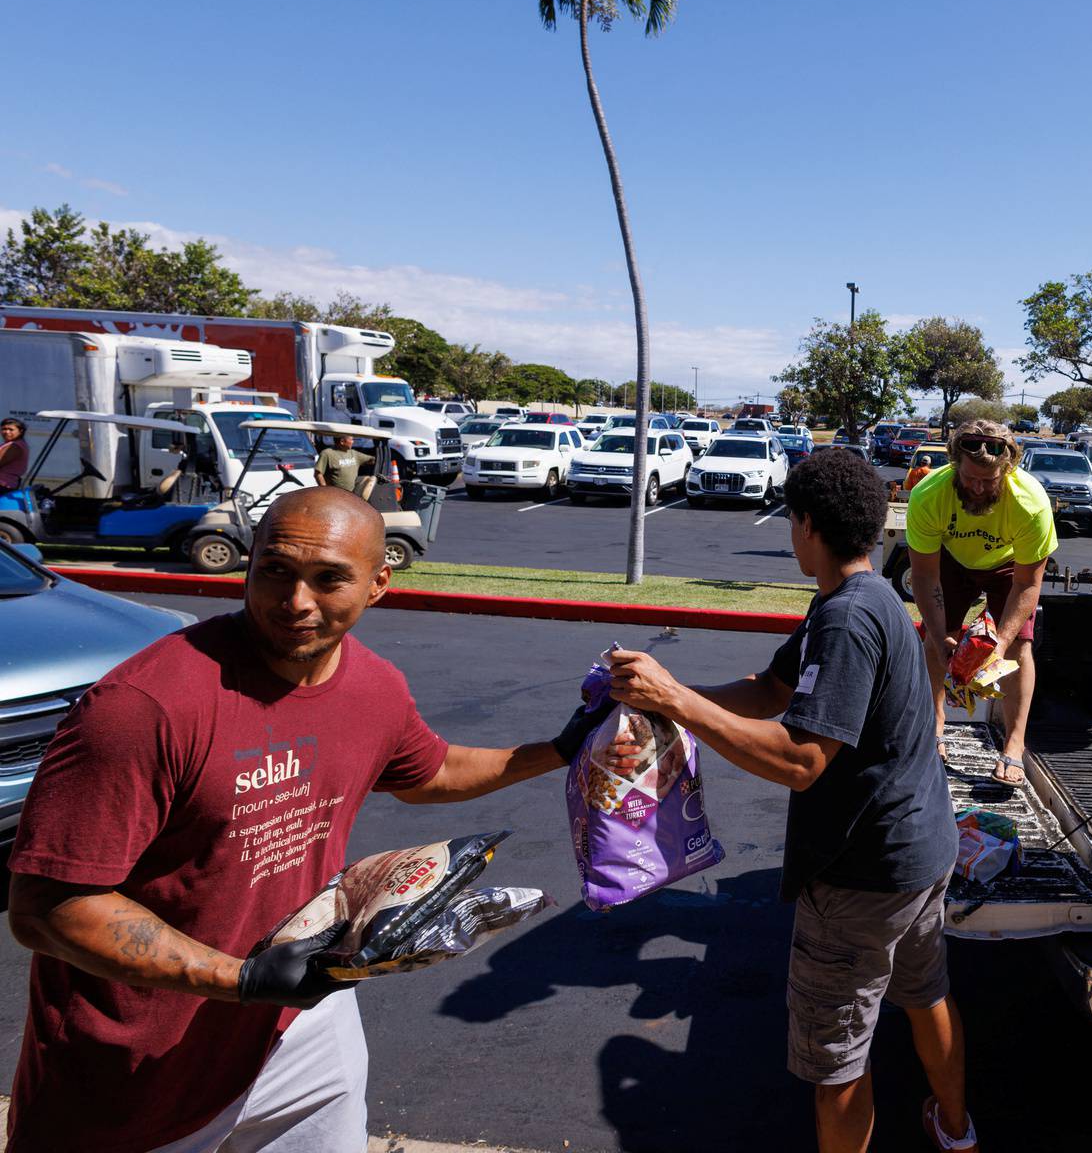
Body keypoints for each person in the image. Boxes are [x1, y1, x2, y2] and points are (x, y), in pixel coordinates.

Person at [4, 487, 634, 1153]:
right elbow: (48, 908)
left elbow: (431, 772)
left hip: (304, 1023)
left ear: (378, 582)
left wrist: (561, 750)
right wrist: (240, 979)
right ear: (249, 562)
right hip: (139, 1059)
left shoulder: (373, 687)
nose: (296, 602)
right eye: (276, 569)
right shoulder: (142, 708)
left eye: (329, 578)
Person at [606, 448, 973, 1153]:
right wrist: (664, 701)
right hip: (921, 855)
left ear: (806, 524)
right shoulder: (862, 600)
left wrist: (675, 700)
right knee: (927, 996)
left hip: (862, 875)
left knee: (837, 1058)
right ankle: (957, 1132)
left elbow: (802, 760)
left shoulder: (845, 618)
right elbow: (772, 690)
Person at [905, 418, 1056, 785]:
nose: (976, 487)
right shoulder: (929, 494)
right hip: (952, 560)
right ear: (955, 464)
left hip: (1008, 567)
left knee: (1018, 646)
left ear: (1008, 469)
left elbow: (1027, 584)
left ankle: (1014, 745)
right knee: (935, 637)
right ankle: (935, 724)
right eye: (970, 477)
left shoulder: (1031, 504)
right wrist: (942, 638)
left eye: (988, 481)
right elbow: (924, 576)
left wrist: (997, 645)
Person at [0, 417, 30, 493]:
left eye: (11, 429)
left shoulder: (14, 446)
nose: (6, 432)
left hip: (3, 484)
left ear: (20, 431)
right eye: (4, 429)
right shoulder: (11, 444)